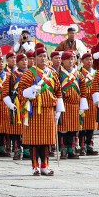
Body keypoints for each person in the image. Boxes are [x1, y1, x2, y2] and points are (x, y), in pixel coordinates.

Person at [18, 45, 63, 176]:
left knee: (46, 140)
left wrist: (59, 109)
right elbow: (20, 92)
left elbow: (58, 91)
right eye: (40, 56)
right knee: (34, 140)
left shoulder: (53, 73)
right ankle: (34, 166)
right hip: (33, 111)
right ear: (35, 59)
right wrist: (32, 90)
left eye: (45, 56)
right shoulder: (29, 73)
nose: (43, 59)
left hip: (48, 110)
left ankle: (45, 165)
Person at [57, 51, 89, 160]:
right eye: (68, 59)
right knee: (62, 128)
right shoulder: (58, 73)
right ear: (63, 61)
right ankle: (63, 149)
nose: (70, 61)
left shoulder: (78, 74)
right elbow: (55, 88)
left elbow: (83, 88)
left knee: (72, 128)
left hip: (75, 104)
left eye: (72, 59)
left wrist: (82, 103)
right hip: (64, 104)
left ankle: (71, 149)